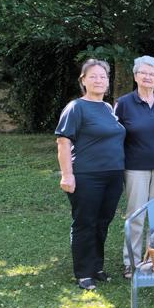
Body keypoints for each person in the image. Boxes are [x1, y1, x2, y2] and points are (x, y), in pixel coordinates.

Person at [55, 59, 125, 290]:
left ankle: (96, 266)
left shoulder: (108, 108)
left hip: (113, 175)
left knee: (103, 222)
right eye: (93, 76)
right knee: (85, 222)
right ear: (83, 80)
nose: (99, 80)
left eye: (103, 76)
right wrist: (67, 175)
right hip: (87, 175)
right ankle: (84, 272)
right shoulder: (76, 107)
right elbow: (63, 142)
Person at [115, 55, 154, 279]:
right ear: (135, 76)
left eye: (152, 74)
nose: (148, 77)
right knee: (136, 214)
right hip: (135, 167)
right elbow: (116, 134)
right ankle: (131, 262)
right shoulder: (124, 103)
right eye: (143, 73)